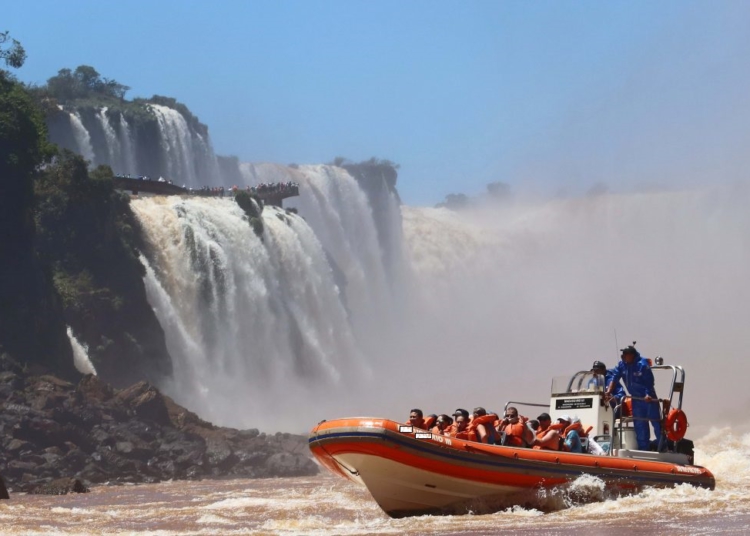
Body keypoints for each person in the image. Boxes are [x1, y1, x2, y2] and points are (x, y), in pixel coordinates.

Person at [605, 344, 662, 451]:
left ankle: (662, 447)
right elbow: (614, 378)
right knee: (640, 424)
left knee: (656, 423)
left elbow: (649, 381)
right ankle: (644, 449)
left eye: (625, 354)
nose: (623, 356)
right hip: (636, 400)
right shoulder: (622, 365)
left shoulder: (642, 364)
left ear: (631, 355)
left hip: (648, 399)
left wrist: (648, 394)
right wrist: (608, 391)